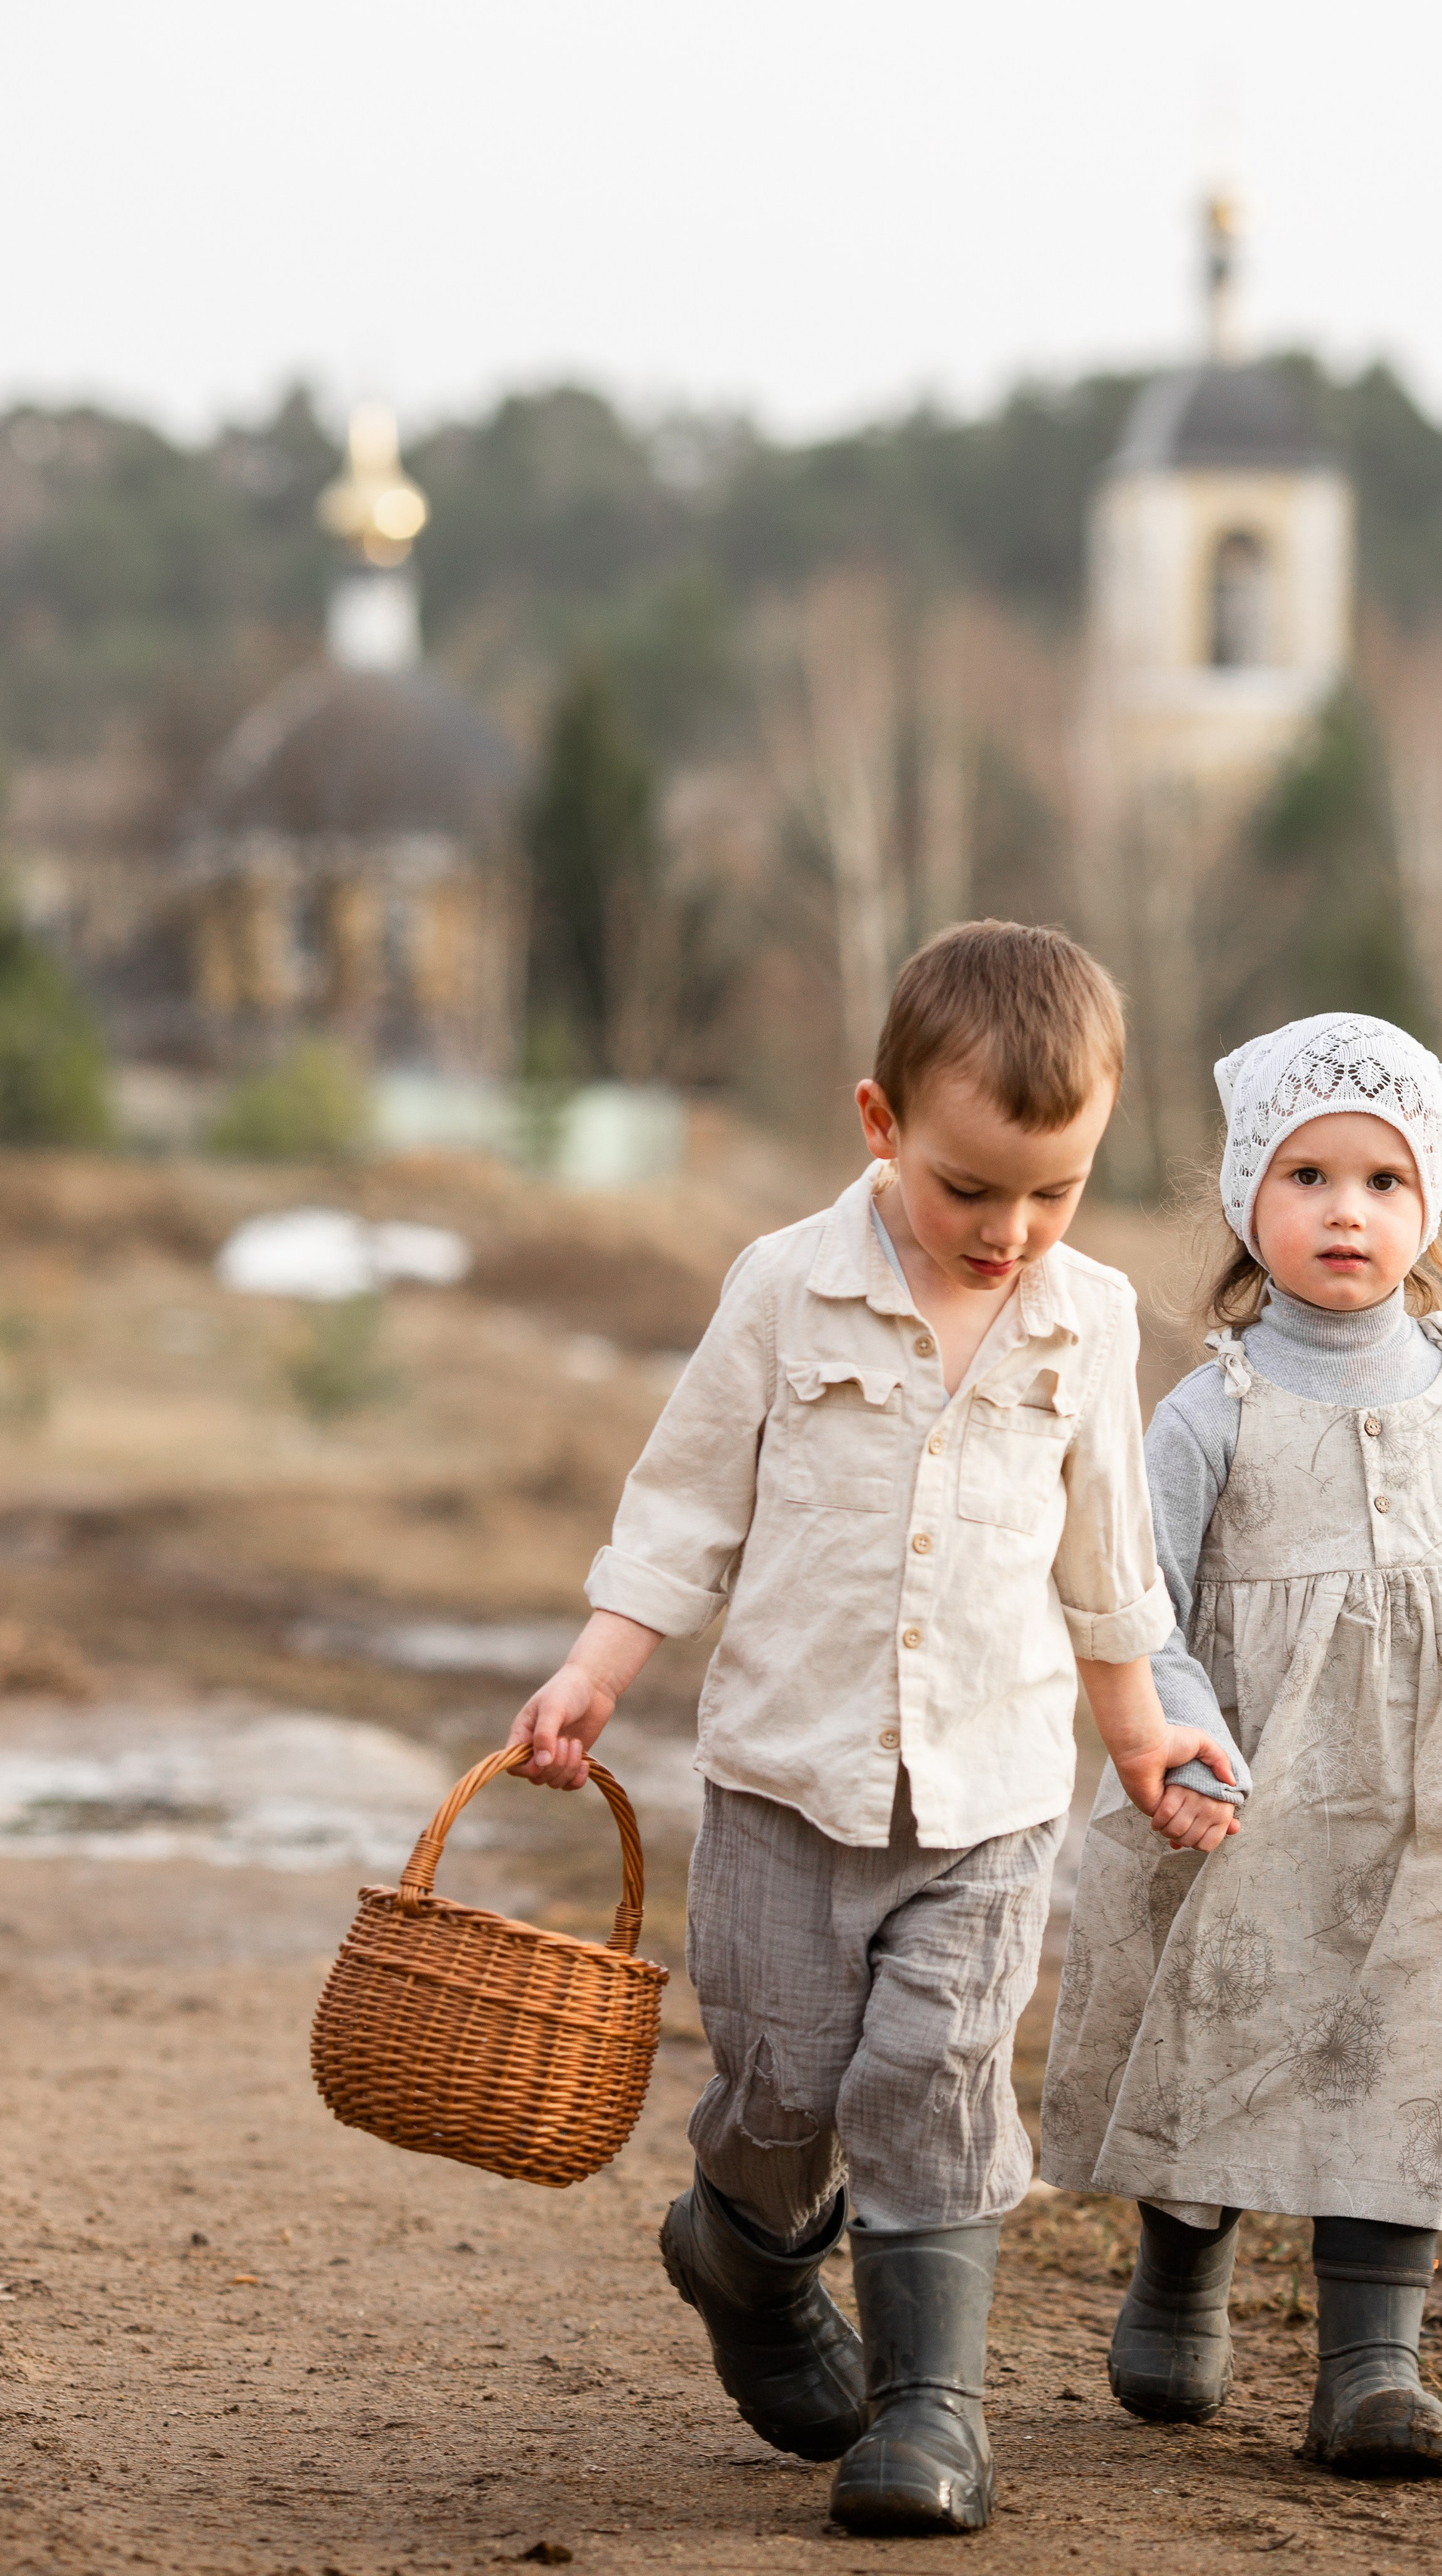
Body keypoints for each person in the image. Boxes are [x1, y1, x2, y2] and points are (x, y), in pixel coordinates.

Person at [505, 921, 1241, 2536]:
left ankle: (932, 2414)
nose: (1010, 1230)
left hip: (987, 1794)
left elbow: (1105, 1560)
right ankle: (744, 2263)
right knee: (781, 2090)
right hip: (785, 1784)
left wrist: (1140, 1740)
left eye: (1053, 1190)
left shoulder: (1086, 1317)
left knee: (932, 2073)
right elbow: (683, 1509)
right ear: (877, 1123)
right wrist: (595, 1669)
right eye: (969, 1188)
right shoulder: (785, 1287)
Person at [1040, 1012, 1442, 2480]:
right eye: (1305, 1177)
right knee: (1223, 2025)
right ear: (1248, 1199)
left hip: (1434, 1800)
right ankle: (1179, 2276)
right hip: (1247, 1790)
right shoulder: (1207, 1406)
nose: (1343, 1211)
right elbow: (1139, 1604)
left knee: (1404, 2046)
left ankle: (1373, 2361)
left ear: (1425, 1208)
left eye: (1381, 1182)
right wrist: (1175, 1736)